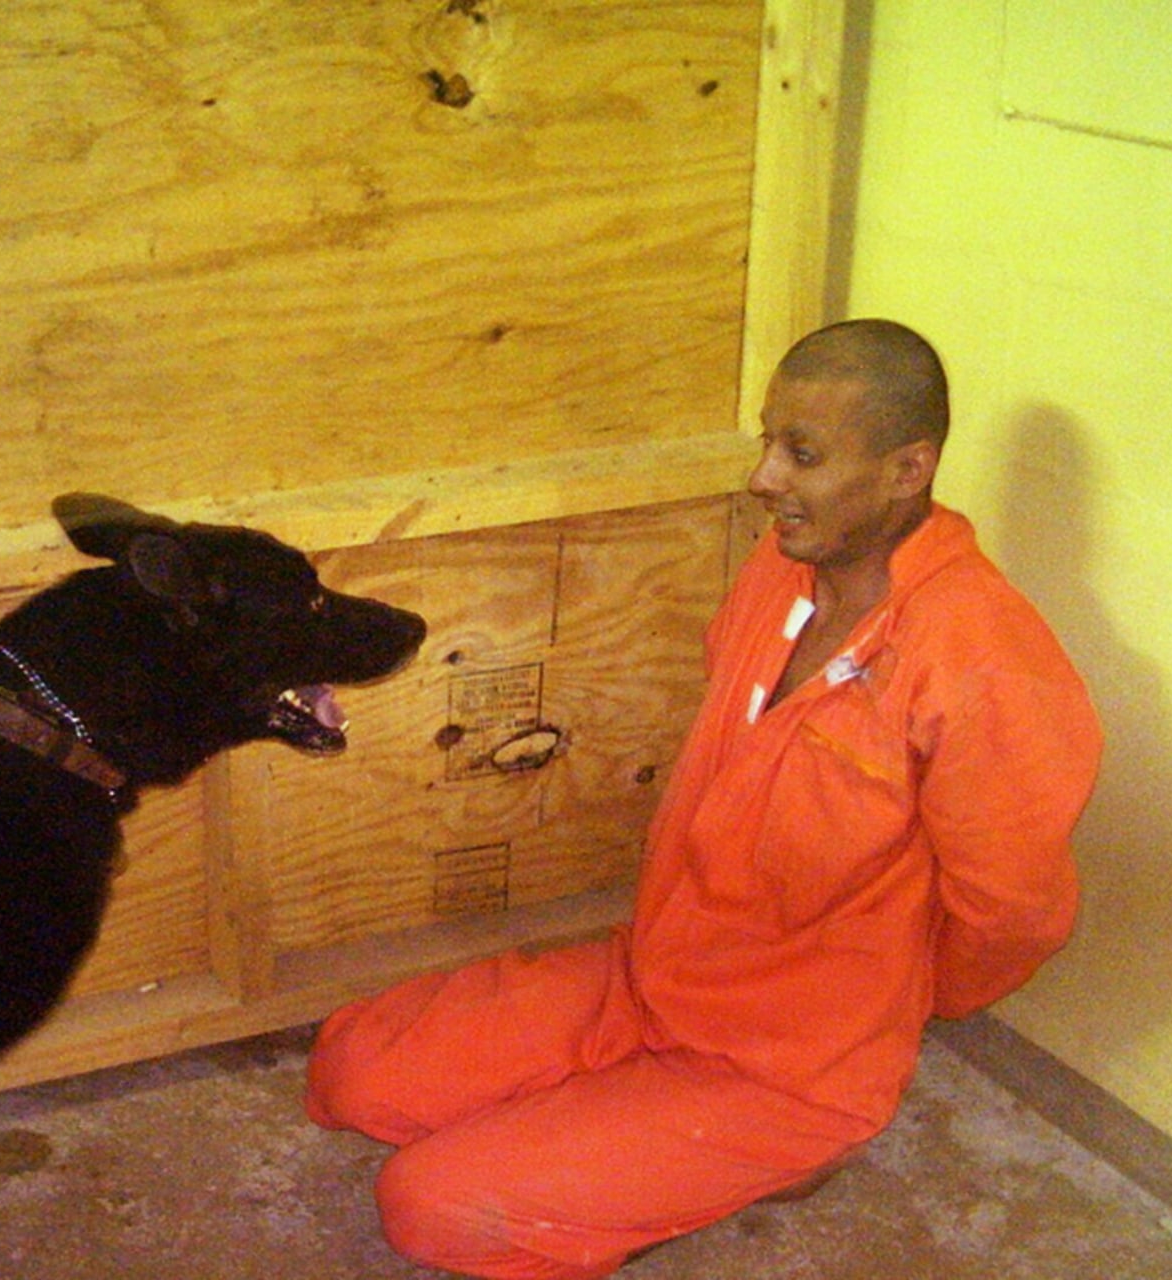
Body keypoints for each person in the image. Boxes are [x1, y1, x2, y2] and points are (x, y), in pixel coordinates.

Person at [304, 319, 1103, 1279]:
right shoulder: (782, 567)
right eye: (770, 441)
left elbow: (1015, 914)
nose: (764, 478)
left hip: (787, 1066)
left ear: (907, 468)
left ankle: (793, 1145)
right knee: (351, 1070)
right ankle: (624, 1111)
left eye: (800, 454)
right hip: (654, 973)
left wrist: (875, 1010)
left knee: (428, 1205)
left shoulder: (984, 658)